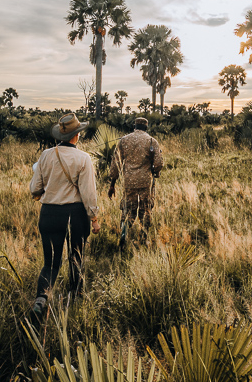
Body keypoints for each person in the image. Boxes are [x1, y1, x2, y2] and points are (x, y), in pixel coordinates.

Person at [29, 113, 100, 315]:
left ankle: (40, 300)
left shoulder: (45, 155)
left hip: (49, 213)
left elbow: (35, 189)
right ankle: (74, 302)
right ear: (76, 136)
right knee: (75, 259)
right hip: (75, 214)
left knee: (50, 263)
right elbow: (88, 193)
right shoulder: (83, 158)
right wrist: (94, 219)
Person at [108, 117, 163, 247]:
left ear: (134, 126)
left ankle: (123, 235)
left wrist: (112, 184)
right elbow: (159, 163)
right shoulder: (151, 141)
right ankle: (143, 237)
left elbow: (116, 164)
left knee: (127, 209)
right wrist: (155, 172)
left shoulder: (124, 140)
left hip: (129, 181)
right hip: (146, 182)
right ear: (146, 127)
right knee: (146, 209)